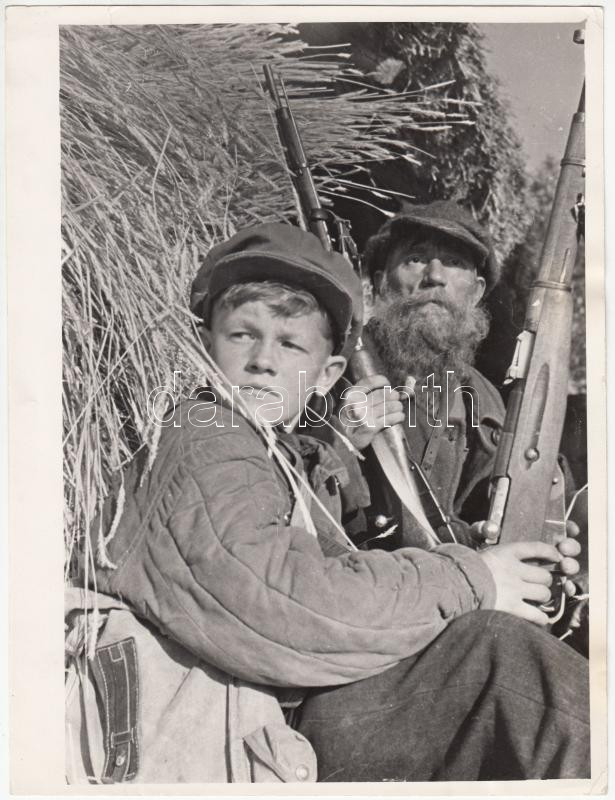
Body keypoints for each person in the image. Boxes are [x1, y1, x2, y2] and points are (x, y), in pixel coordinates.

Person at [84, 222, 587, 783]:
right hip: (238, 724)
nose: (263, 360)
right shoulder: (207, 433)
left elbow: (341, 560)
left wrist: (505, 560)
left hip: (275, 707)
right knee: (501, 659)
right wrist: (475, 579)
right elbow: (289, 602)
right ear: (203, 348)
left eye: (290, 344)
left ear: (326, 373)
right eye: (242, 335)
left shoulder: (271, 446)